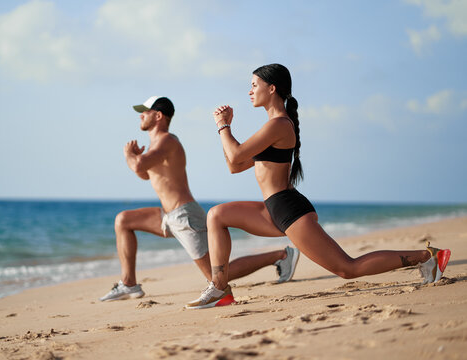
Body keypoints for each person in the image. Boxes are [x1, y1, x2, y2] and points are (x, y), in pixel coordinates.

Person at [185, 64, 451, 309]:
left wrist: (223, 125)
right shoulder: (272, 126)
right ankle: (220, 289)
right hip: (273, 207)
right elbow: (235, 165)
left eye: (254, 85)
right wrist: (226, 132)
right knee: (216, 215)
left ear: (272, 88)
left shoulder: (279, 124)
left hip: (288, 209)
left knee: (348, 269)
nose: (250, 90)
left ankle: (427, 257)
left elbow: (234, 155)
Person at [100, 96, 300, 302]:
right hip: (167, 216)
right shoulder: (154, 147)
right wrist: (136, 158)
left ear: (158, 116)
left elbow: (139, 167)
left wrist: (129, 155)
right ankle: (129, 284)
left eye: (145, 111)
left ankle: (281, 255)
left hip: (184, 216)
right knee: (123, 220)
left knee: (218, 274)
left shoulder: (167, 141)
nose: (141, 115)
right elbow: (144, 173)